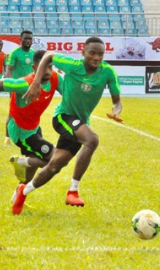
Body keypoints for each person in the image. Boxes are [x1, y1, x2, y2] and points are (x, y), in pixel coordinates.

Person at [11, 37, 123, 215]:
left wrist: (116, 110)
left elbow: (117, 101)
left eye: (100, 54)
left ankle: (22, 192)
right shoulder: (72, 64)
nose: (96, 57)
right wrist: (36, 81)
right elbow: (48, 55)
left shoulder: (108, 71)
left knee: (54, 166)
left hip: (80, 123)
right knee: (92, 140)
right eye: (92, 53)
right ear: (83, 53)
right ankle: (73, 191)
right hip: (63, 117)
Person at [0, 50, 63, 196]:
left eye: (50, 66)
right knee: (56, 159)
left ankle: (17, 199)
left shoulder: (55, 78)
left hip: (34, 128)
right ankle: (21, 161)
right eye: (42, 67)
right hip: (20, 131)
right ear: (34, 68)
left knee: (32, 167)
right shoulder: (24, 84)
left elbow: (70, 95)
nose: (47, 71)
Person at [4, 30, 35, 146]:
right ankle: (7, 138)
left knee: (31, 113)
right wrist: (10, 86)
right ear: (20, 39)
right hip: (17, 88)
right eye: (26, 38)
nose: (28, 41)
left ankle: (27, 137)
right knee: (12, 113)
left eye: (30, 39)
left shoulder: (34, 53)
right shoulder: (15, 53)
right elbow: (8, 70)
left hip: (30, 88)